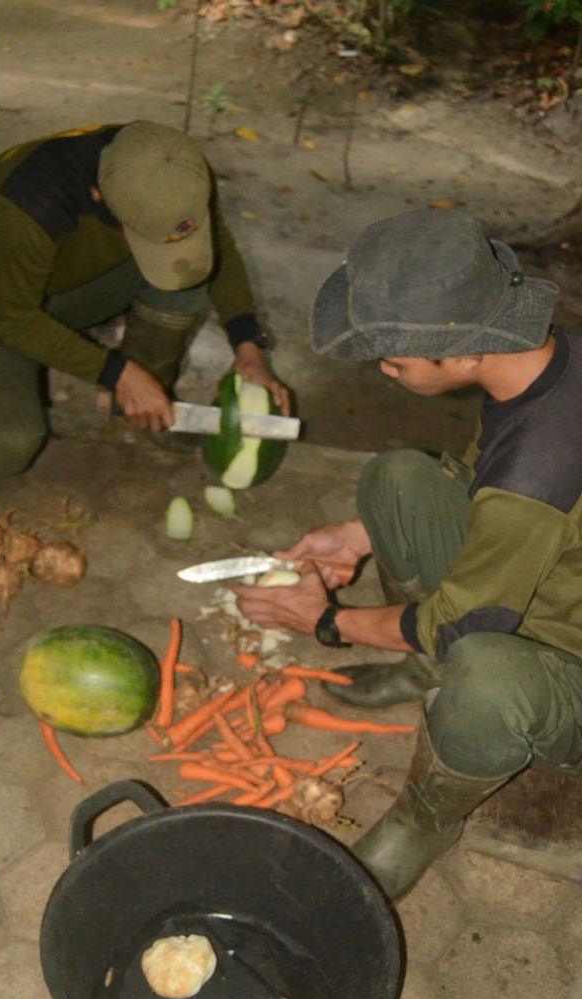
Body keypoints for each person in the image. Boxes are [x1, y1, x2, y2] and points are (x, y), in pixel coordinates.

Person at [234, 207, 582, 901]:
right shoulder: (548, 357)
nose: (386, 370)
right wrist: (359, 534)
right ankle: (427, 673)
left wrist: (325, 622)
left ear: (461, 354)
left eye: (395, 358)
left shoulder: (537, 473)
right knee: (394, 480)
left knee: (483, 670)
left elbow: (468, 618)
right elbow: (488, 473)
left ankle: (426, 818)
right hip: (544, 564)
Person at [0, 120, 287, 475]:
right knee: (7, 446)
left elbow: (219, 250)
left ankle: (141, 405)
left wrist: (248, 347)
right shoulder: (26, 207)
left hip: (72, 281)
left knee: (187, 272)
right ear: (98, 195)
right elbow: (13, 319)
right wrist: (117, 373)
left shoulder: (175, 172)